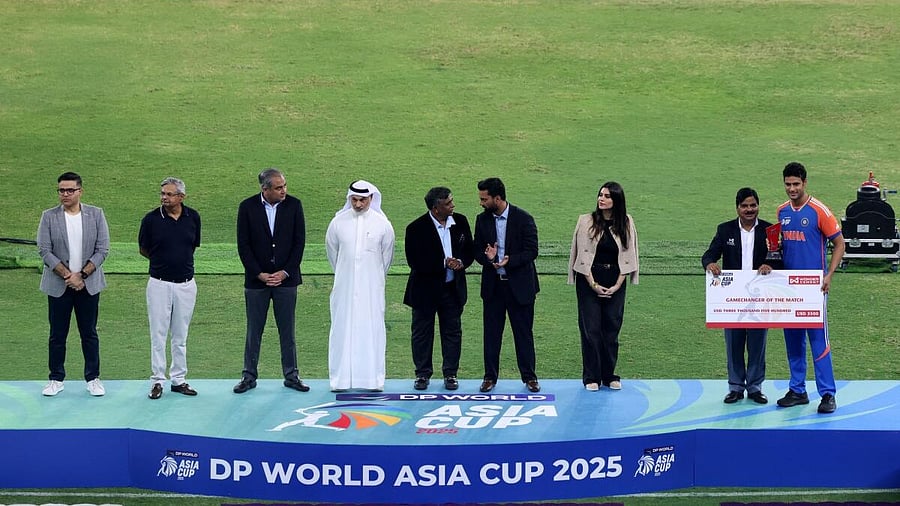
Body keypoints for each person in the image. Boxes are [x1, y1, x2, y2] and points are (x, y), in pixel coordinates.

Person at [776, 162, 845, 414]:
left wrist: (829, 274)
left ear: (805, 183)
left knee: (819, 341)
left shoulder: (819, 211)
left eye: (796, 184)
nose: (792, 189)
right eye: (787, 184)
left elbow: (839, 243)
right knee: (793, 341)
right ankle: (797, 390)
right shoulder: (781, 211)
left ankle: (827, 394)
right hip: (788, 289)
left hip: (814, 289)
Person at [233, 168, 310, 394]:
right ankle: (249, 375)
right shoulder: (247, 207)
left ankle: (292, 374)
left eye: (284, 186)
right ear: (264, 189)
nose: (283, 191)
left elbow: (299, 243)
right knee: (254, 330)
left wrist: (285, 272)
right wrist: (259, 273)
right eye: (278, 188)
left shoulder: (294, 205)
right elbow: (243, 245)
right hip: (257, 282)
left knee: (287, 330)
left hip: (286, 281)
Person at [37, 172, 109, 397]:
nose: (65, 194)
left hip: (88, 285)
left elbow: (102, 249)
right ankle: (56, 378)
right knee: (57, 334)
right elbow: (44, 250)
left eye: (69, 190)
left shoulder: (96, 215)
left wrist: (82, 275)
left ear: (80, 191)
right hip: (59, 285)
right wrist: (68, 275)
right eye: (61, 190)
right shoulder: (48, 216)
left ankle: (93, 378)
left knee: (89, 333)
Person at [702, 187, 775, 404]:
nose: (749, 210)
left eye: (753, 205)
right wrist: (711, 264)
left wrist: (769, 265)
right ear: (737, 208)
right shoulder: (725, 230)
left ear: (758, 206)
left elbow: (779, 257)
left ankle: (754, 387)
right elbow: (709, 255)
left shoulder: (769, 230)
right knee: (733, 342)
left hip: (760, 297)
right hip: (732, 298)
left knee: (757, 343)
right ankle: (735, 387)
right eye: (745, 206)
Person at [567, 182, 639, 392]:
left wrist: (618, 284)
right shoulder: (585, 221)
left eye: (607, 196)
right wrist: (592, 283)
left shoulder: (626, 222)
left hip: (615, 278)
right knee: (591, 329)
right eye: (600, 195)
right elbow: (579, 254)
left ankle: (609, 375)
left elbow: (630, 254)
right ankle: (591, 376)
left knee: (611, 328)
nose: (602, 199)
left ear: (616, 200)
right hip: (589, 279)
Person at [326, 180, 395, 392]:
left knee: (372, 329)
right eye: (354, 200)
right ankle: (340, 380)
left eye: (362, 200)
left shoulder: (382, 224)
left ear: (371, 199)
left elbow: (386, 258)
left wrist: (371, 278)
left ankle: (372, 380)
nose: (358, 204)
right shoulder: (337, 223)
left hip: (372, 288)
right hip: (344, 286)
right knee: (341, 329)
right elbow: (333, 254)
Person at [404, 187, 475, 391]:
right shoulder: (416, 228)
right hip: (425, 291)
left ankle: (450, 374)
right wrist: (443, 263)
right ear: (436, 209)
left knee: (452, 332)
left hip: (452, 289)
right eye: (448, 203)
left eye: (452, 201)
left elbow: (469, 250)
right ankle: (422, 374)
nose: (453, 205)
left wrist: (461, 262)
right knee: (422, 333)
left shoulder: (460, 222)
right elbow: (414, 261)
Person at [473, 177, 541, 393]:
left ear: (498, 198)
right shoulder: (482, 220)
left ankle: (529, 377)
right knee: (491, 334)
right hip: (494, 288)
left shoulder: (523, 219)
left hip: (520, 287)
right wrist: (489, 259)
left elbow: (532, 251)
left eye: (485, 199)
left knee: (523, 333)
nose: (481, 203)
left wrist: (509, 261)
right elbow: (477, 250)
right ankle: (489, 377)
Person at [138, 177, 201, 399]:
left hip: (186, 284)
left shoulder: (193, 217)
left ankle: (179, 379)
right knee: (158, 333)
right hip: (159, 284)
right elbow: (144, 249)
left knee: (180, 334)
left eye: (170, 194)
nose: (165, 198)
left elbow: (192, 245)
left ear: (181, 197)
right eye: (162, 193)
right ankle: (157, 380)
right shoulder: (151, 220)